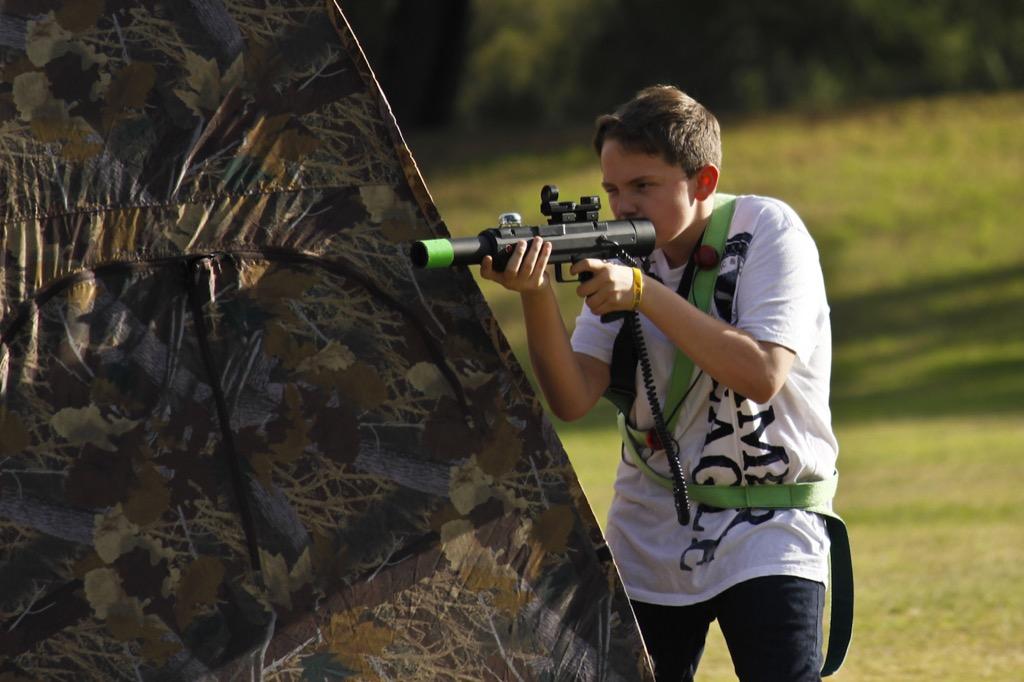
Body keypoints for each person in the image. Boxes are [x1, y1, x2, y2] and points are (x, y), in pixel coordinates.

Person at [480, 84, 839, 681]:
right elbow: (573, 396)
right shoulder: (623, 255)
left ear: (703, 181)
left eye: (643, 186)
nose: (623, 206)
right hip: (648, 528)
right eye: (612, 190)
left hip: (768, 523)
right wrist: (536, 294)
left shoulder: (768, 229)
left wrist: (644, 293)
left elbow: (762, 373)